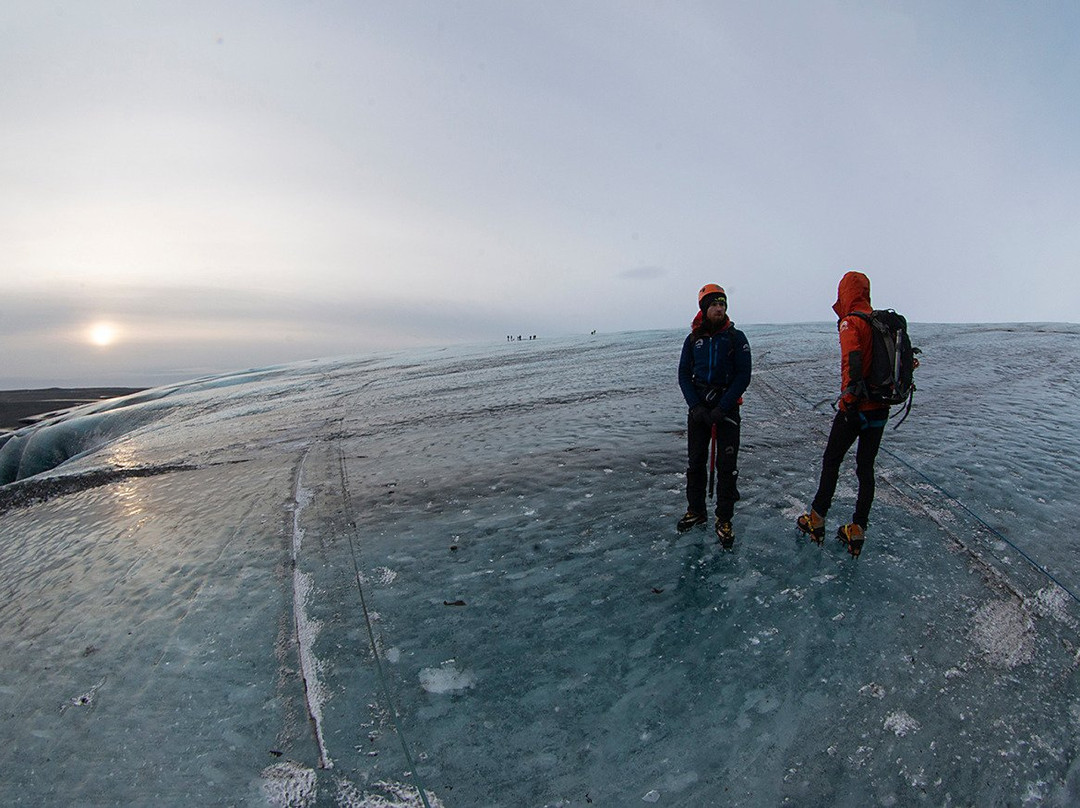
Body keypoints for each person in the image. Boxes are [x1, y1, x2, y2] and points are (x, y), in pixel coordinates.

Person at [797, 270, 890, 558]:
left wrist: (848, 401)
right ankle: (857, 529)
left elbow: (852, 360)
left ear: (845, 293)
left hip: (856, 408)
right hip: (881, 408)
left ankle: (817, 518)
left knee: (832, 460)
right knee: (866, 469)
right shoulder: (880, 323)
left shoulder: (851, 323)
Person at [676, 284, 752, 548]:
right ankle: (696, 510)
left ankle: (724, 517)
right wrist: (696, 407)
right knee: (695, 462)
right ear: (704, 309)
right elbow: (684, 374)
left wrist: (723, 406)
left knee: (726, 467)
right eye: (714, 305)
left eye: (722, 304)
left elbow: (743, 375)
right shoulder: (693, 340)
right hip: (699, 409)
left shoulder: (736, 338)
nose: (719, 308)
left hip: (726, 409)